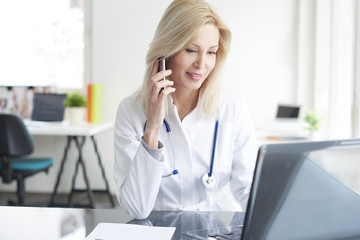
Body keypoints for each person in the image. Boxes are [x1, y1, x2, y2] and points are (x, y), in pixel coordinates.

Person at [114, 0, 258, 219]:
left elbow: (249, 190)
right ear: (166, 52)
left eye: (211, 52)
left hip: (215, 227)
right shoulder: (130, 111)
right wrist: (152, 126)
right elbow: (136, 208)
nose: (202, 64)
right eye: (191, 50)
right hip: (157, 228)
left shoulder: (232, 109)